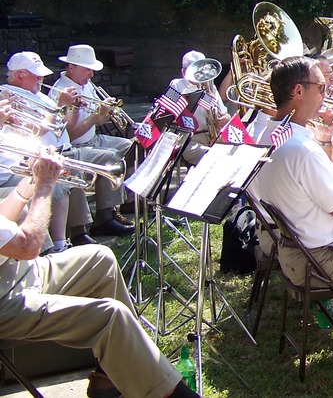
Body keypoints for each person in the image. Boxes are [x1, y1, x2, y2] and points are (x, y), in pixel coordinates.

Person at [0, 148, 199, 398]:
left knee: (99, 259)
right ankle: (166, 391)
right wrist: (43, 187)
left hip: (13, 272)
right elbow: (28, 246)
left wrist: (24, 189)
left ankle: (112, 379)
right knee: (110, 316)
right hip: (5, 298)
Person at [246, 56, 333, 287]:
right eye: (321, 88)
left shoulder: (269, 135)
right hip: (324, 259)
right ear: (298, 91)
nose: (326, 94)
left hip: (301, 253)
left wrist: (327, 139)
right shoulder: (302, 149)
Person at [4, 51, 107, 250]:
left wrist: (72, 108)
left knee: (65, 175)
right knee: (58, 180)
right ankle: (58, 245)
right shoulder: (9, 96)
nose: (41, 78)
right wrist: (59, 105)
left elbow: (64, 126)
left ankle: (74, 235)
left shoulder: (38, 95)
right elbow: (35, 129)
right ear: (19, 76)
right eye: (36, 74)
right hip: (24, 161)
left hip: (58, 150)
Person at [49, 44, 134, 237]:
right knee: (111, 158)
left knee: (132, 147)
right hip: (78, 144)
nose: (91, 74)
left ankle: (125, 202)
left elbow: (98, 119)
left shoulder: (87, 85)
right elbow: (68, 135)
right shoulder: (60, 92)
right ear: (71, 68)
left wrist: (105, 113)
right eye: (87, 69)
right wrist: (95, 119)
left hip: (93, 138)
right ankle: (105, 217)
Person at [165, 51, 230, 164]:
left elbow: (224, 113)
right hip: (189, 140)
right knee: (215, 159)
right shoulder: (176, 84)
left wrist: (226, 118)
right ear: (183, 71)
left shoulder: (211, 87)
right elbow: (169, 114)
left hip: (213, 138)